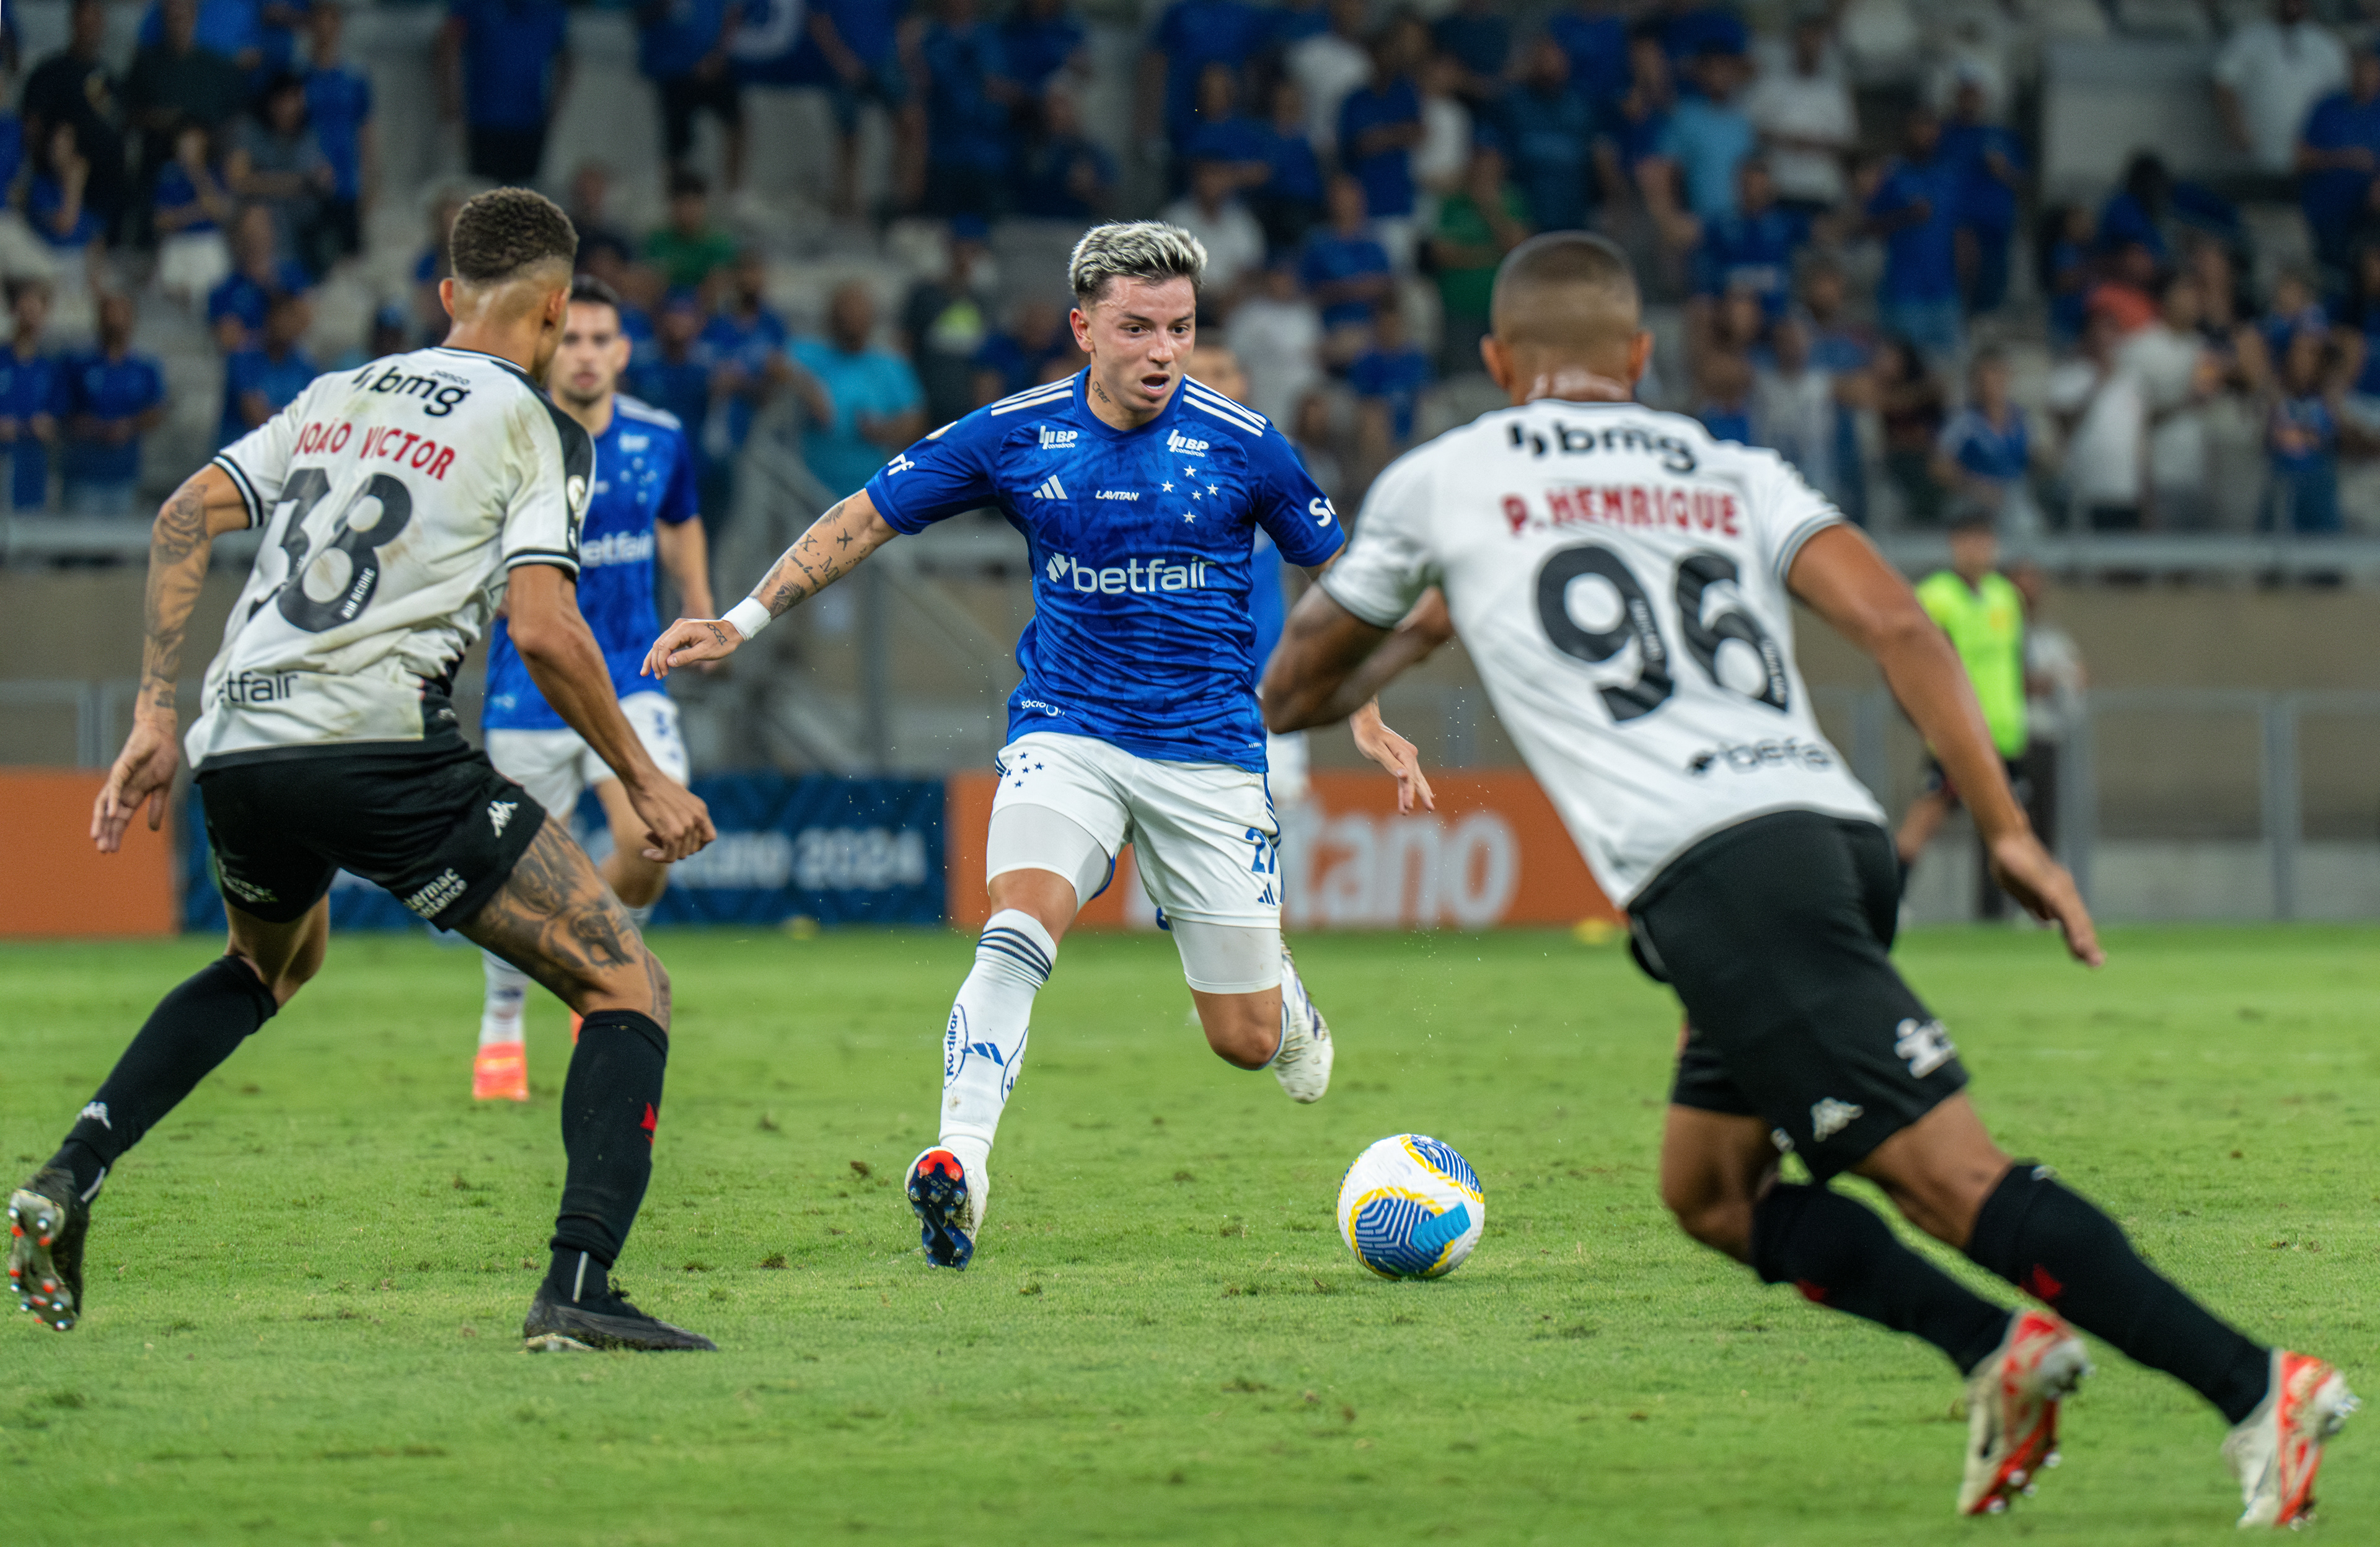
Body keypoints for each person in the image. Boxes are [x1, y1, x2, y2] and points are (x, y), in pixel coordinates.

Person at [1260, 228, 2356, 1528]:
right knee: (1710, 1191)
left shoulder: (1448, 478)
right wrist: (2007, 829)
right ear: (1643, 356)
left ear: (1498, 362)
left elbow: (1294, 688)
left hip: (1724, 872)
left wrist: (1421, 633)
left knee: (1949, 1178)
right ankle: (1995, 1351)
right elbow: (1899, 622)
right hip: (1826, 830)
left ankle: (2256, 1388)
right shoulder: (1729, 467)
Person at [8, 188, 720, 1355]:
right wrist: (643, 776)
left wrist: (152, 714)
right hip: (377, 741)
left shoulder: (337, 391)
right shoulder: (541, 426)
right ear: (555, 310)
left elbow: (183, 515)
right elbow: (544, 628)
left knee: (270, 962)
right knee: (627, 984)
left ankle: (71, 1171)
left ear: (447, 295)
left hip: (238, 738)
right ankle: (579, 1290)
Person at [645, 221, 1432, 1273]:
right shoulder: (1015, 433)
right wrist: (741, 620)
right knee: (1019, 921)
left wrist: (1364, 711)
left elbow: (1343, 583)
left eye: (1181, 328)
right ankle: (960, 1166)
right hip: (1068, 732)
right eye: (1138, 327)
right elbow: (867, 516)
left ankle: (1284, 1003)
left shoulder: (1246, 444)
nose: (1164, 350)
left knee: (1244, 1041)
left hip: (1207, 753)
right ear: (1083, 328)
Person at [471, 275, 714, 1104]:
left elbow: (679, 517)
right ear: (548, 349)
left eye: (599, 339)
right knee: (516, 881)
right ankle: (503, 1019)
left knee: (654, 839)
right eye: (569, 338)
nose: (584, 354)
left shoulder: (659, 436)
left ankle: (595, 966)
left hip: (629, 677)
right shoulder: (510, 439)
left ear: (622, 351)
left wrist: (700, 600)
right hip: (528, 685)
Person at [1893, 507, 2029, 919]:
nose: (1979, 549)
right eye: (1970, 540)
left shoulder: (2005, 595)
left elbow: (2013, 663)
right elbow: (1912, 663)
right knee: (1927, 816)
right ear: (1954, 544)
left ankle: (2026, 906)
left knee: (2014, 824)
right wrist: (1923, 716)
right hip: (1958, 733)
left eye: (1985, 540)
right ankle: (1891, 900)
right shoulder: (1936, 597)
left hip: (2005, 732)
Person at [787, 281, 925, 499]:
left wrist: (883, 431)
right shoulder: (808, 355)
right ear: (832, 317)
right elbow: (774, 364)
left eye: (858, 313)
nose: (851, 321)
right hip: (808, 488)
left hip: (869, 489)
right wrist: (810, 391)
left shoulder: (889, 366)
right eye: (845, 313)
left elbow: (916, 421)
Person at [125, 0, 246, 219]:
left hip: (209, 152)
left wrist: (213, 143)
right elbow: (129, 114)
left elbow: (234, 119)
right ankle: (210, 203)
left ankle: (210, 203)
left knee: (195, 145)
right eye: (171, 15)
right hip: (158, 154)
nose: (177, 21)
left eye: (182, 15)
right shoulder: (146, 64)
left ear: (194, 15)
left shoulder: (216, 66)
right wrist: (159, 119)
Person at [22, 0, 130, 242]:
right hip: (59, 184)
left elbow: (118, 125)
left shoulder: (108, 78)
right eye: (85, 20)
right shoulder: (50, 72)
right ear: (74, 21)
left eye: (95, 21)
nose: (90, 28)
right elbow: (32, 125)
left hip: (106, 189)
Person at [807, 0, 923, 220]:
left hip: (886, 61)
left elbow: (907, 19)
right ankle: (848, 206)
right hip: (842, 65)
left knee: (909, 124)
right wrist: (841, 60)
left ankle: (903, 203)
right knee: (848, 136)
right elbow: (818, 21)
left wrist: (903, 56)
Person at [1867, 106, 1965, 367]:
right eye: (1917, 128)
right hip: (1903, 291)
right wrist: (1905, 215)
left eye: (1929, 128)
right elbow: (1870, 225)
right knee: (1904, 368)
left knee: (1947, 369)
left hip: (1945, 292)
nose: (1924, 135)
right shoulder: (1893, 173)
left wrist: (1966, 284)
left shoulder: (1950, 175)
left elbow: (1962, 233)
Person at [438, 0, 573, 184]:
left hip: (529, 120)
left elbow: (567, 59)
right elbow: (447, 45)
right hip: (483, 119)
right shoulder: (473, 6)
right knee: (482, 189)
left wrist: (555, 108)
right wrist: (450, 102)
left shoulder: (549, 9)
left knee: (523, 192)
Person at [2215, 0, 2347, 184]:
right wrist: (2236, 129)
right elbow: (2223, 84)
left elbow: (2341, 96)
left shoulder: (2326, 44)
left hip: (2313, 157)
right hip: (2261, 153)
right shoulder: (2248, 39)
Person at [1429, 142, 1532, 379]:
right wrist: (1492, 254)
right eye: (1480, 162)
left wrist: (1488, 207)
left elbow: (1519, 248)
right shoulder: (1452, 202)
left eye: (1490, 163)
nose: (1484, 170)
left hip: (1500, 312)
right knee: (1462, 381)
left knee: (1501, 382)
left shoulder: (1512, 200)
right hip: (1458, 309)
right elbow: (1441, 254)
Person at [60, 294, 166, 515]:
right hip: (84, 472)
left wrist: (129, 426)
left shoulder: (145, 367)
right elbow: (63, 411)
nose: (115, 323)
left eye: (121, 316)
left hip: (124, 473)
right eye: (110, 316)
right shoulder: (78, 364)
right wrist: (95, 429)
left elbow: (155, 412)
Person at [912, 0, 1018, 219]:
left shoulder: (991, 38)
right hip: (943, 155)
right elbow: (920, 90)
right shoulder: (930, 40)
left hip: (987, 156)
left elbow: (1002, 89)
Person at [1742, 13, 1852, 218]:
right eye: (1805, 38)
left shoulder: (1834, 92)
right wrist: (1786, 140)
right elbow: (1747, 129)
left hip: (1821, 189)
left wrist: (1813, 143)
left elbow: (1846, 140)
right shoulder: (1770, 85)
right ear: (1794, 42)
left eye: (1816, 40)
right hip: (1779, 186)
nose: (1810, 46)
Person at [2010, 561, 2082, 865]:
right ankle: (1994, 896)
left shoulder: (2050, 639)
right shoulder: (1995, 636)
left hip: (2042, 739)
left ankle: (2042, 889)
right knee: (2004, 827)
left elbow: (2072, 679)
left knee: (2043, 826)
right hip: (2004, 739)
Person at [226, 73, 334, 274]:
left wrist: (267, 182)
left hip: (303, 234)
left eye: (295, 99)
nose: (289, 107)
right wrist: (298, 184)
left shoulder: (308, 136)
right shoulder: (250, 130)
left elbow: (324, 180)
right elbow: (238, 180)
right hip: (261, 233)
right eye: (283, 100)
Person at [638, 0, 743, 190]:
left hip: (711, 67)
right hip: (672, 70)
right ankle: (676, 193)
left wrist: (719, 55)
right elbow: (639, 16)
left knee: (736, 122)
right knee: (677, 141)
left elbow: (732, 15)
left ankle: (734, 192)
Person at [2295, 47, 2380, 279]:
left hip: (2369, 222)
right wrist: (2345, 158)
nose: (2367, 76)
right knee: (2333, 278)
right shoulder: (2327, 107)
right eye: (2362, 69)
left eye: (2373, 70)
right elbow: (2301, 158)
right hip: (2327, 216)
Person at [1941, 76, 2022, 318]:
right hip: (1958, 226)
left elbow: (2021, 179)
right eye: (1965, 95)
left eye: (1974, 96)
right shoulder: (1945, 135)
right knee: (1957, 290)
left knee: (1991, 292)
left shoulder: (2000, 135)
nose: (1970, 102)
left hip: (1994, 227)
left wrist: (2003, 169)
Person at [1931, 350, 2038, 530]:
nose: (1991, 386)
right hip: (1974, 500)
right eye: (1985, 380)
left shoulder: (2022, 420)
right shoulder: (1963, 422)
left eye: (1997, 378)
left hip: (2013, 498)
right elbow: (1939, 467)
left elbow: (2033, 460)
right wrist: (1975, 487)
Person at [303, 2, 374, 262]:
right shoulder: (300, 78)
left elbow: (366, 130)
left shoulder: (355, 79)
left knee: (351, 259)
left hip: (348, 182)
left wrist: (370, 180)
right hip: (311, 182)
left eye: (330, 24)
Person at [209, 203, 313, 353]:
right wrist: (276, 332)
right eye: (250, 229)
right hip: (254, 362)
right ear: (237, 236)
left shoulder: (292, 274)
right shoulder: (224, 291)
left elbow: (307, 322)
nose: (257, 236)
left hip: (294, 358)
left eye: (262, 227)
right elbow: (230, 340)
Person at [217, 289, 315, 447]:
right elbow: (255, 415)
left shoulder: (305, 367)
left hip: (284, 451)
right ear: (270, 318)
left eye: (293, 318)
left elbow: (309, 417)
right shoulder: (244, 357)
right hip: (239, 450)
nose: (288, 324)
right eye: (283, 316)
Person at [0, 280, 65, 514]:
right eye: (24, 310)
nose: (30, 318)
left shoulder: (52, 364)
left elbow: (59, 417)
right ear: (13, 311)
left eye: (35, 310)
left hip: (33, 466)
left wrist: (48, 426)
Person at [154, 123, 235, 305]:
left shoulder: (214, 172)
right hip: (178, 244)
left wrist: (197, 172)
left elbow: (219, 211)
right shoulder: (169, 173)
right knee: (173, 299)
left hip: (207, 244)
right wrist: (197, 212)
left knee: (211, 299)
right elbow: (162, 220)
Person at [642, 169, 738, 294]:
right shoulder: (657, 240)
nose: (687, 210)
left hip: (705, 303)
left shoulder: (719, 243)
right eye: (682, 204)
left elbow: (723, 283)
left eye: (693, 204)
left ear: (703, 205)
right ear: (672, 205)